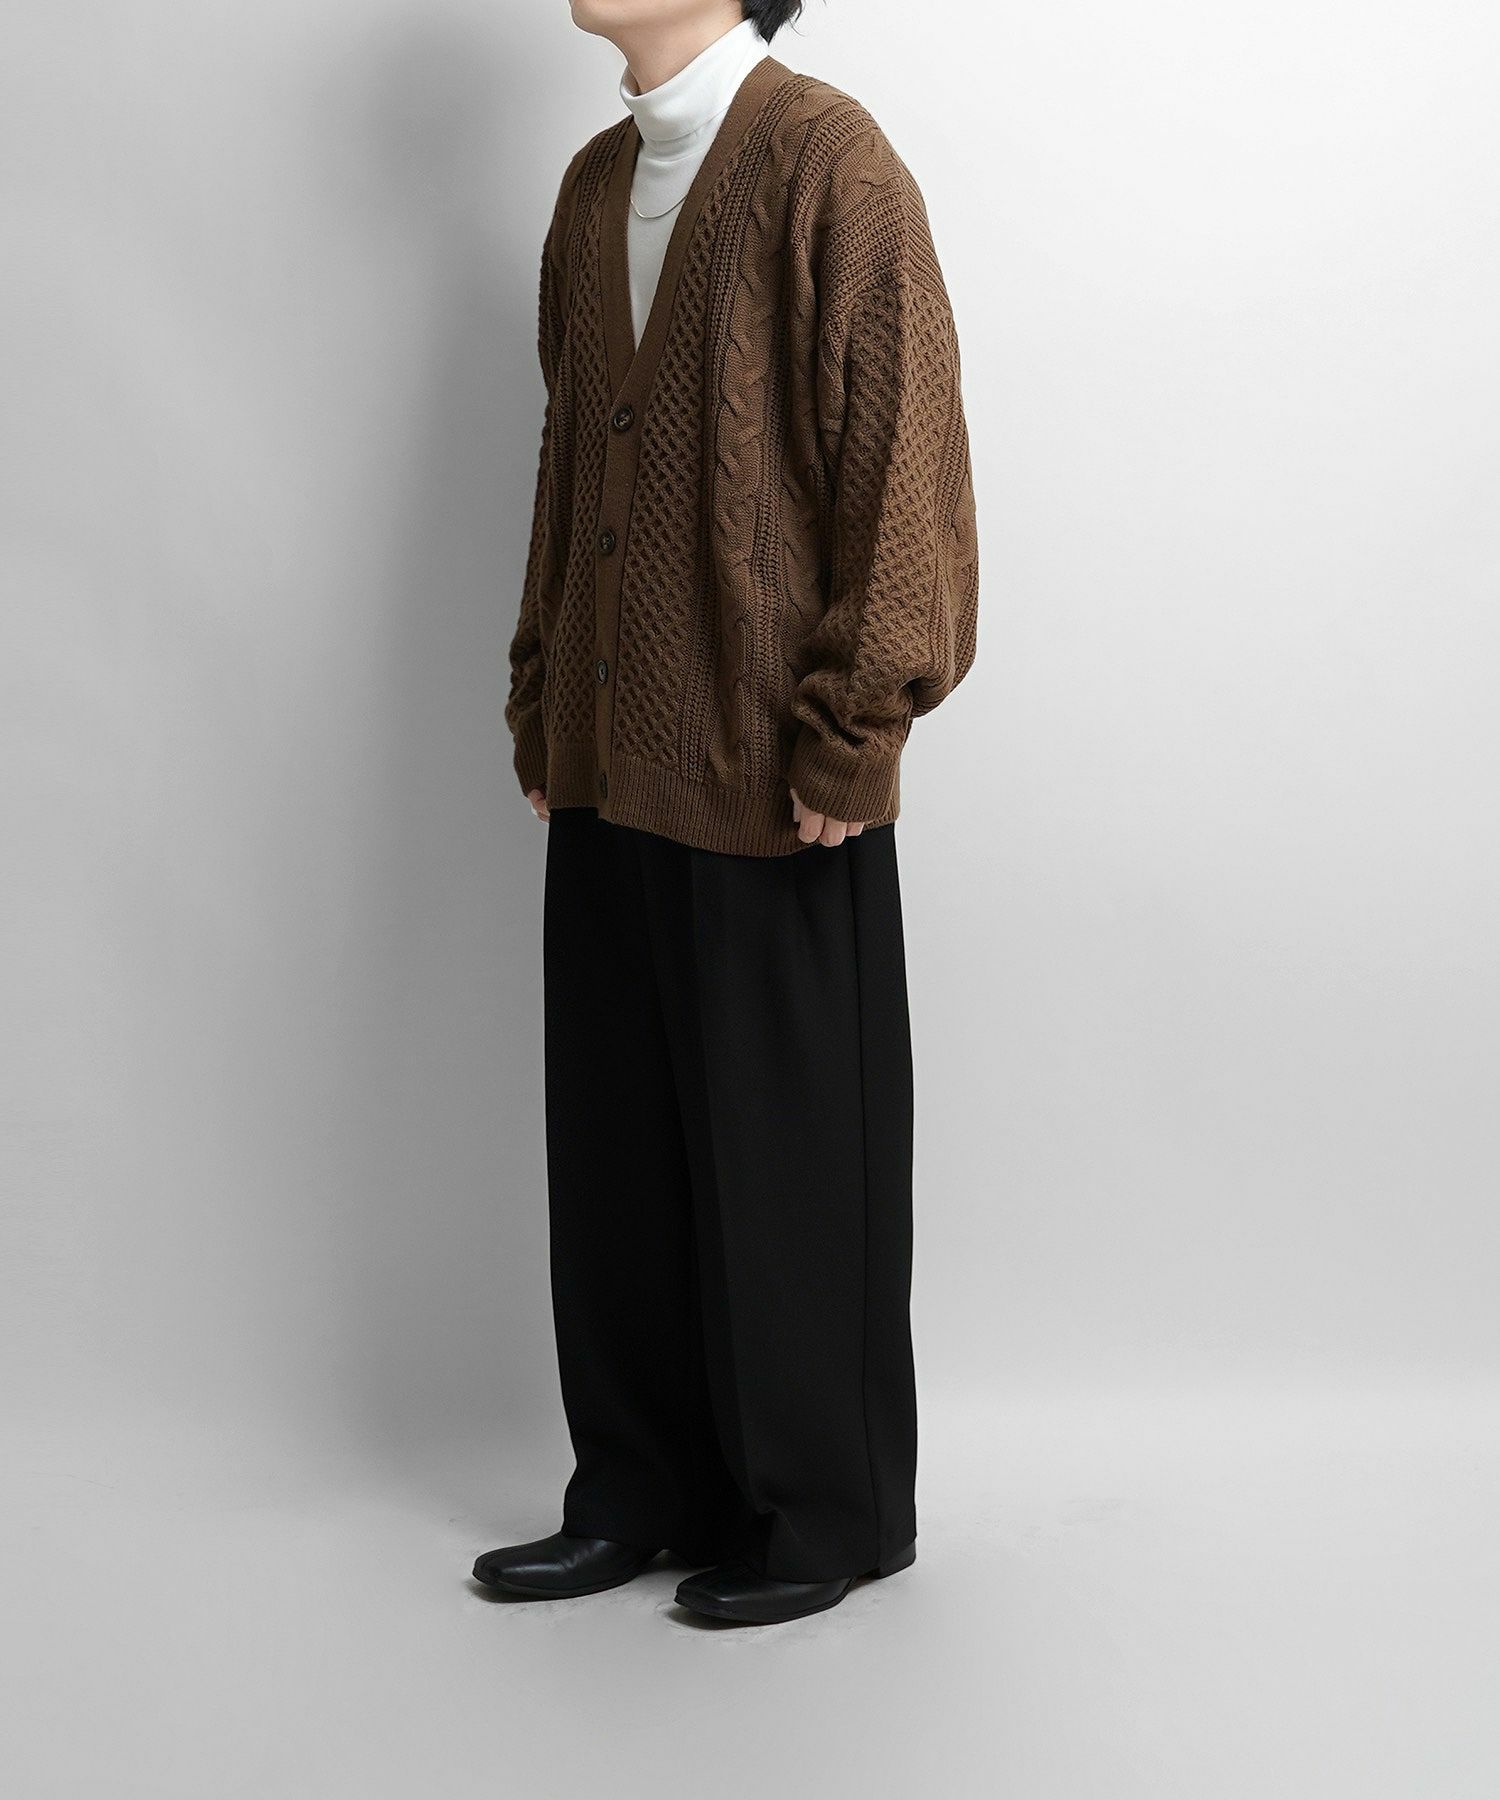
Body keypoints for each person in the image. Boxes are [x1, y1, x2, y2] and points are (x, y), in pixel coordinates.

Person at [473, 0, 979, 1626]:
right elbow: (572, 460)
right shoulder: (591, 188)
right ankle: (639, 1490)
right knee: (618, 1152)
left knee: (789, 1159)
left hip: (776, 776)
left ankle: (824, 1511)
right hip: (608, 757)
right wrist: (546, 693)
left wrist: (855, 733)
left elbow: (904, 467)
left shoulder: (832, 165)